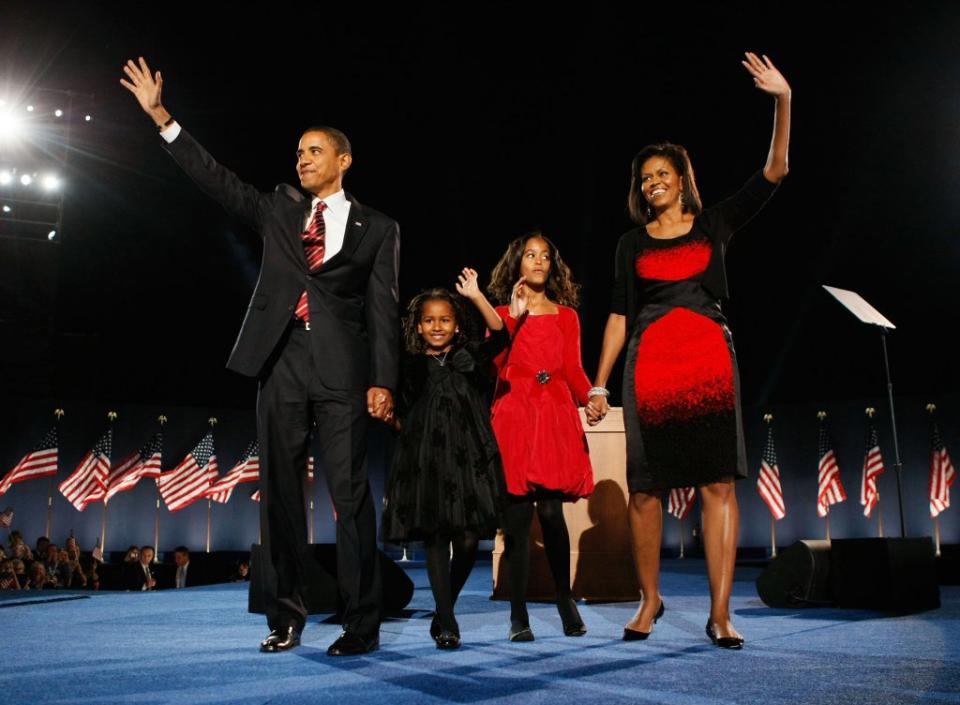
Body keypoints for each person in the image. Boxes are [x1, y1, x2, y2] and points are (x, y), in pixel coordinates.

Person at [121, 57, 399, 656]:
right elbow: (217, 179)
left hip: (344, 370)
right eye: (299, 151)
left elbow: (383, 309)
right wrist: (163, 118)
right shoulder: (278, 207)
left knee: (350, 496)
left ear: (343, 160)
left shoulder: (379, 228)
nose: (302, 159)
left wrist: (383, 380)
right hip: (280, 361)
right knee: (278, 496)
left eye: (315, 151)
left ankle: (361, 623)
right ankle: (287, 617)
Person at [589, 52, 791, 649]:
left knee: (717, 487)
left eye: (662, 174)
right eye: (644, 177)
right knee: (646, 488)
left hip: (707, 365)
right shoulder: (630, 243)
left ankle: (722, 612)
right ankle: (650, 600)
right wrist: (599, 383)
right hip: (649, 371)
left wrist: (783, 99)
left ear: (682, 178)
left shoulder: (715, 224)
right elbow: (620, 316)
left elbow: (774, 171)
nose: (652, 183)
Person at [382, 271, 508, 649]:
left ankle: (443, 608)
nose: (437, 326)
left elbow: (501, 335)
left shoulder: (469, 356)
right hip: (425, 458)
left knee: (468, 540)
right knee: (436, 537)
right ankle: (449, 624)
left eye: (445, 320)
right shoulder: (409, 366)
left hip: (467, 457)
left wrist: (475, 296)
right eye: (430, 320)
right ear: (419, 327)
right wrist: (392, 422)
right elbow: (402, 414)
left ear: (456, 326)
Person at [487, 233, 603, 641]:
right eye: (530, 255)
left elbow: (573, 368)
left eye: (545, 256)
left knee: (552, 514)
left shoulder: (567, 316)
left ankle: (563, 598)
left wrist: (591, 395)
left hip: (553, 416)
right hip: (515, 415)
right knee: (517, 520)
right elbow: (497, 364)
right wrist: (513, 318)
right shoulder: (500, 312)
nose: (538, 261)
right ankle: (518, 615)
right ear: (517, 263)